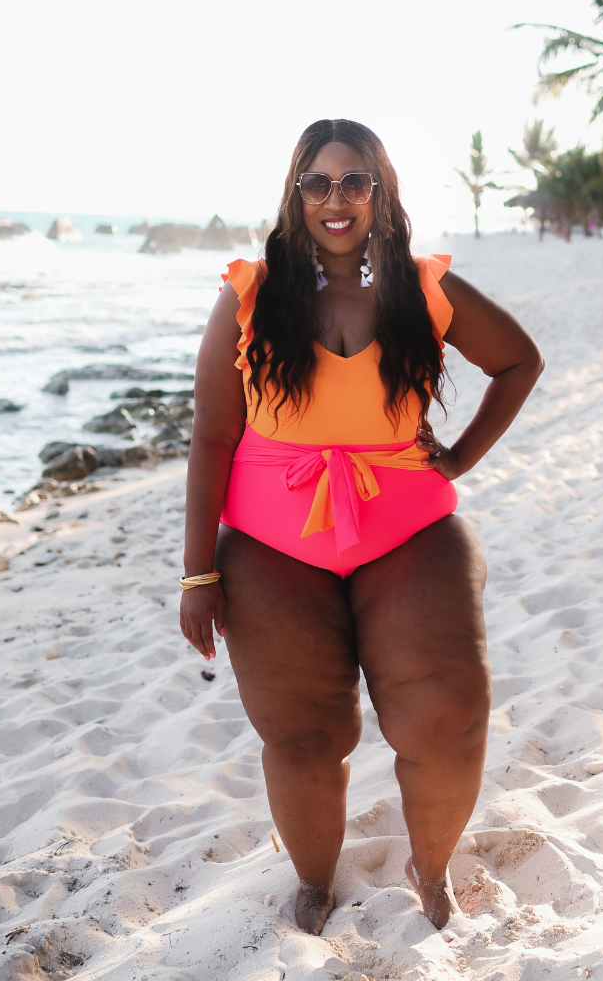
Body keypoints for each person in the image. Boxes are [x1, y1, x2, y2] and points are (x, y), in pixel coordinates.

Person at [180, 119, 543, 933]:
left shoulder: (424, 288)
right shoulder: (248, 296)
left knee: (448, 709)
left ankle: (432, 865)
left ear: (381, 192)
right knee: (304, 733)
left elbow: (519, 360)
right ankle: (314, 882)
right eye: (318, 182)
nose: (335, 200)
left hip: (407, 527)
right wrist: (198, 573)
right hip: (274, 544)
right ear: (294, 192)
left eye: (354, 182)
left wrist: (460, 458)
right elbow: (210, 437)